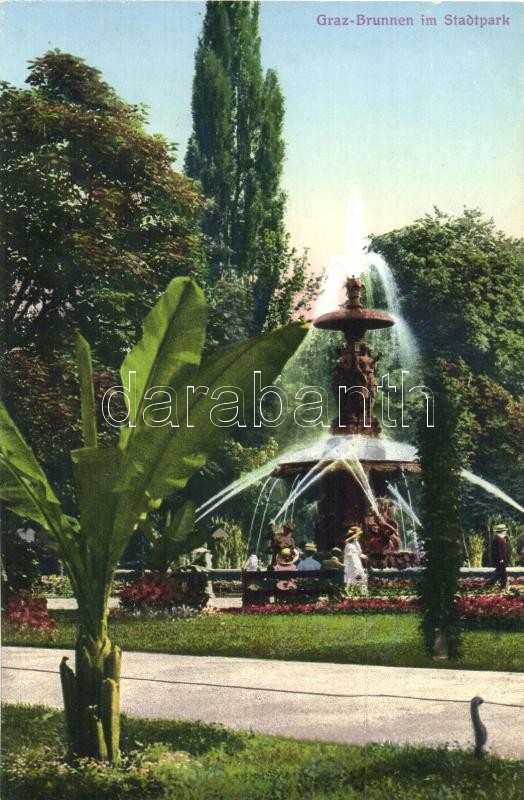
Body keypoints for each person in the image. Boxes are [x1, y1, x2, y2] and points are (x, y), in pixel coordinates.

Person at [491, 523, 510, 589]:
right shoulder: (498, 539)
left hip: (502, 559)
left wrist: (506, 540)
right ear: (502, 531)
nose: (505, 532)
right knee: (503, 574)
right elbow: (498, 550)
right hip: (500, 560)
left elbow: (504, 548)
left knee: (498, 573)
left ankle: (491, 583)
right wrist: (501, 559)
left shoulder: (501, 538)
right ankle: (503, 586)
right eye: (504, 531)